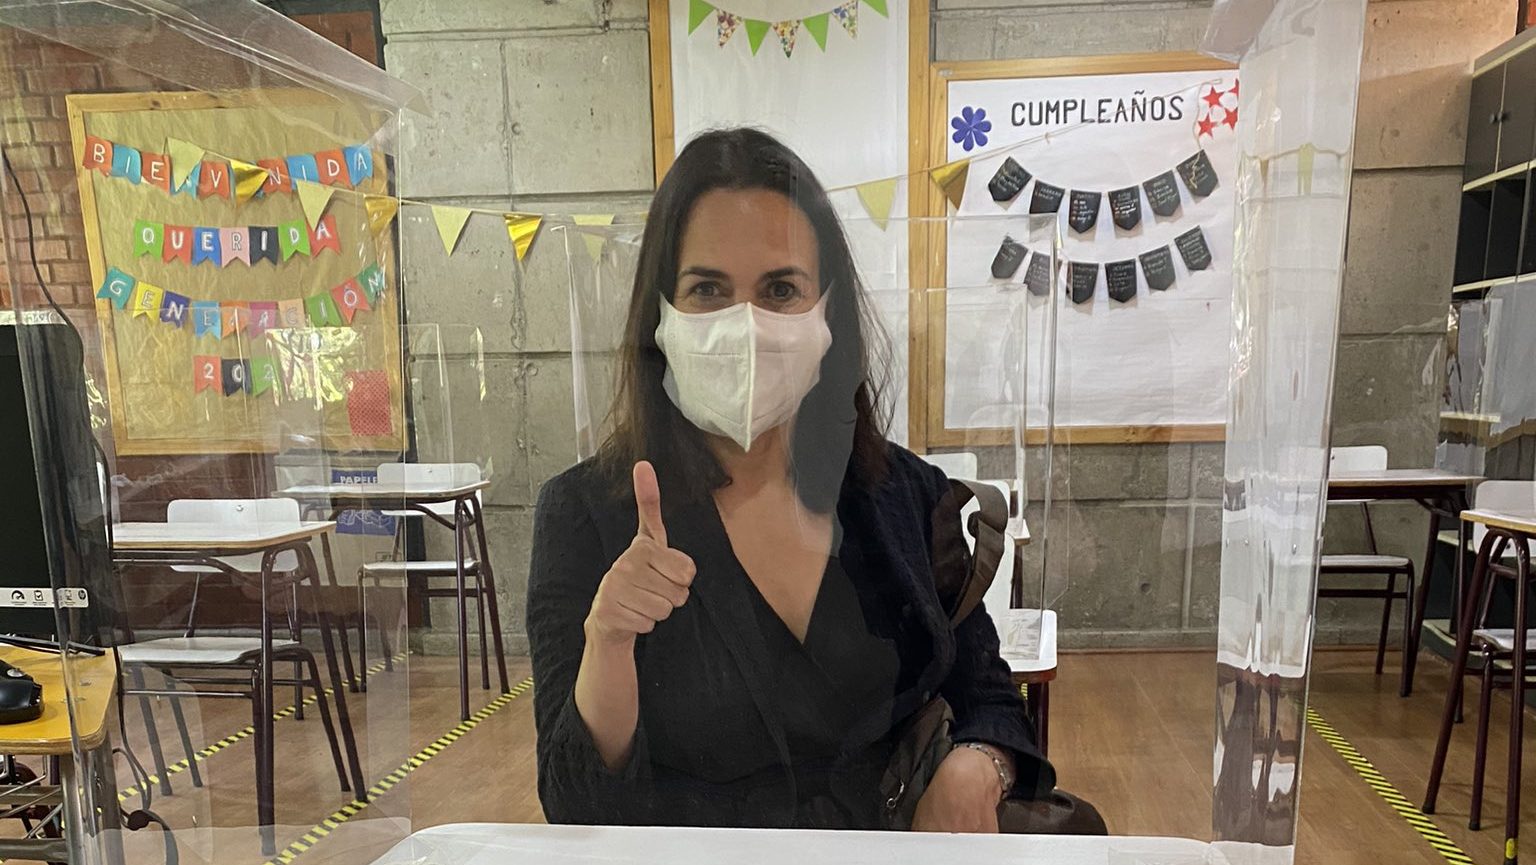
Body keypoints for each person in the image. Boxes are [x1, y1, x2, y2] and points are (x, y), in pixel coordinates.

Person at [527, 127, 1103, 834]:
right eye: (707, 289)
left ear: (828, 309)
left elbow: (989, 694)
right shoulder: (585, 515)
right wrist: (610, 644)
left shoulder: (904, 494)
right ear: (661, 314)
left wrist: (979, 764)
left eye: (780, 289)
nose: (746, 325)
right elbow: (574, 807)